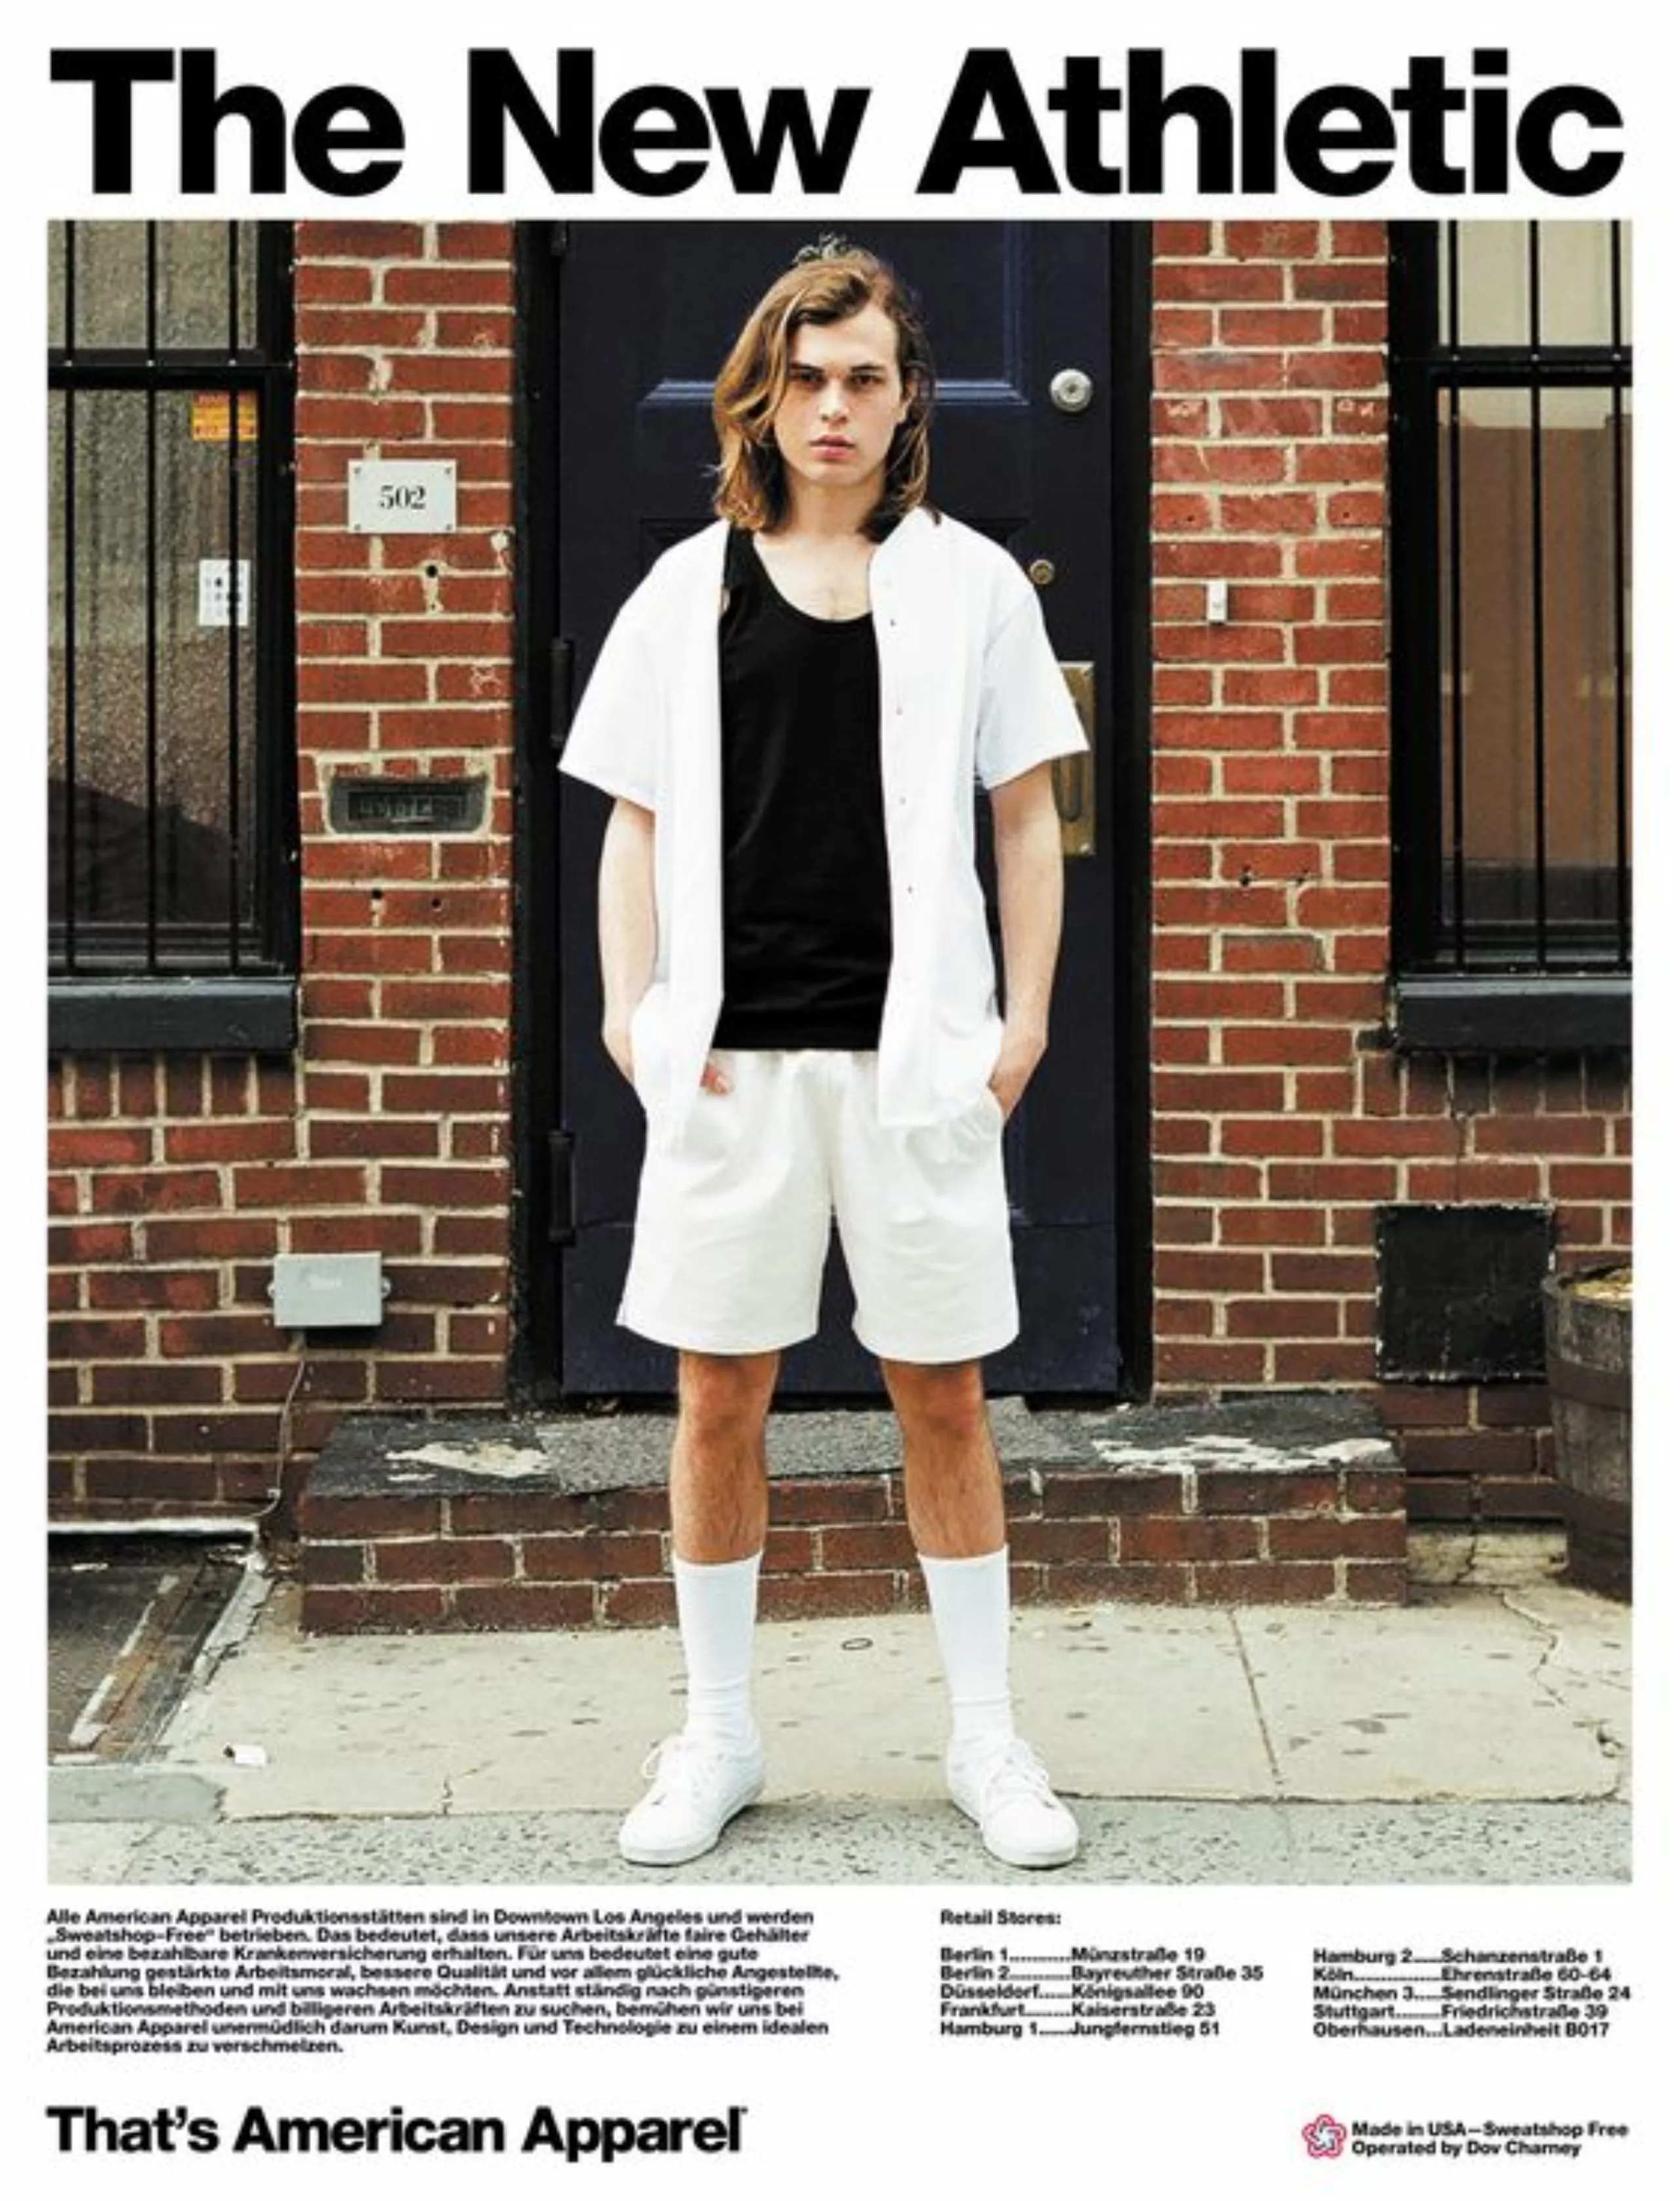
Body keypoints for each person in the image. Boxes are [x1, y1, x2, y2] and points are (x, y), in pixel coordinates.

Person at [559, 241, 1087, 1870]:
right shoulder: (686, 589)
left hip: (913, 1063)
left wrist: (1021, 1025)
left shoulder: (972, 585)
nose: (832, 407)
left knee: (945, 1393)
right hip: (732, 1068)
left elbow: (1025, 816)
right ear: (761, 399)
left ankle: (986, 1738)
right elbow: (634, 822)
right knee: (717, 1395)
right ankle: (716, 1733)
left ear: (907, 395)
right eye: (804, 379)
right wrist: (631, 1014)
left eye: (862, 376)